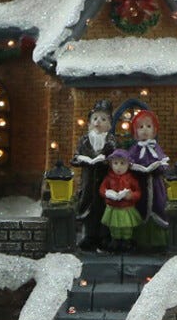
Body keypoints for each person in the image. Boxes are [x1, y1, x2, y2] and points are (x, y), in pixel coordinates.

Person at [72, 99, 116, 250]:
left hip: (105, 180)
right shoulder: (84, 140)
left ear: (109, 124)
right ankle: (89, 236)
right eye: (95, 118)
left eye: (103, 119)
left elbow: (115, 157)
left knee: (104, 207)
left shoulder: (110, 140)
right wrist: (83, 160)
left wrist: (105, 160)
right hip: (88, 180)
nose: (98, 122)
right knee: (88, 207)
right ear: (90, 122)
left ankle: (104, 237)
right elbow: (75, 157)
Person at [126, 105, 170, 247]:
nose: (144, 129)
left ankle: (157, 241)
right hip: (139, 185)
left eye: (148, 126)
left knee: (157, 206)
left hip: (155, 185)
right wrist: (135, 168)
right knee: (139, 207)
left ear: (154, 131)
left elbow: (162, 162)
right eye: (141, 127)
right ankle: (140, 240)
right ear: (135, 132)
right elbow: (129, 161)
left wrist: (159, 167)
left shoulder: (155, 148)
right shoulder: (135, 149)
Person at [99, 150, 142, 251]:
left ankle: (126, 240)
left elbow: (138, 192)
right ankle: (116, 240)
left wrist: (131, 195)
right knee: (114, 227)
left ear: (128, 165)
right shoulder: (108, 178)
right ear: (111, 164)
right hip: (113, 209)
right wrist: (107, 193)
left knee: (127, 226)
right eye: (115, 163)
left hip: (126, 209)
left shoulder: (131, 179)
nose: (119, 167)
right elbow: (102, 189)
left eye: (122, 163)